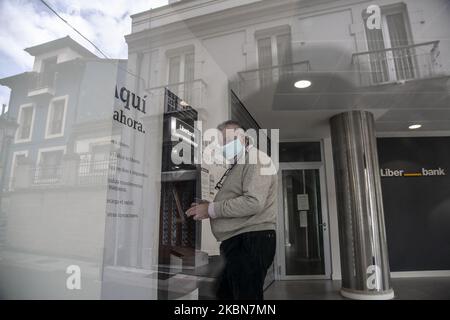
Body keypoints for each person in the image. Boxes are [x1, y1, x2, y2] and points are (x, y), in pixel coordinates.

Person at [186, 120, 277, 300]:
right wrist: (207, 205)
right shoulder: (242, 162)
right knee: (226, 294)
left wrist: (211, 209)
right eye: (221, 143)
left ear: (243, 138)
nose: (223, 147)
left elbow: (254, 202)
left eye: (227, 141)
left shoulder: (256, 159)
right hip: (240, 241)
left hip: (250, 241)